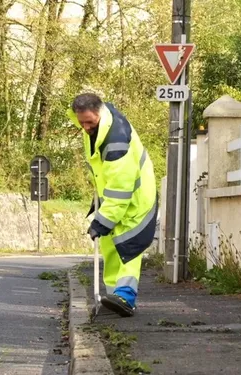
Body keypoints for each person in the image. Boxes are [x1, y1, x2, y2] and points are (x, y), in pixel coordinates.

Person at [67, 93, 158, 317]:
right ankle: (112, 297)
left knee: (128, 245)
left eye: (90, 122)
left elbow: (121, 187)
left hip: (135, 197)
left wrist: (101, 221)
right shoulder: (98, 128)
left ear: (100, 113)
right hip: (114, 196)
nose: (86, 127)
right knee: (109, 246)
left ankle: (126, 297)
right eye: (82, 123)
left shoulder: (116, 140)